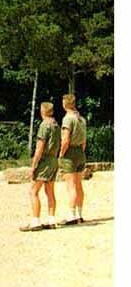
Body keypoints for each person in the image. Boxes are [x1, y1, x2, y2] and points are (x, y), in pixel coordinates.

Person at [20, 102, 61, 232]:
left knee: (33, 191)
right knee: (50, 191)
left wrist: (33, 165)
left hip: (45, 161)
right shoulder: (56, 125)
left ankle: (35, 221)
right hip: (54, 159)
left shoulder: (44, 125)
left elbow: (39, 148)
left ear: (42, 111)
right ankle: (51, 220)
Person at [59, 93, 87, 224]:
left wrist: (61, 153)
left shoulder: (67, 119)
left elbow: (65, 140)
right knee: (79, 185)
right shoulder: (82, 119)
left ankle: (71, 215)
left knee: (71, 186)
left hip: (70, 153)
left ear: (65, 104)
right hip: (80, 152)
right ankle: (80, 214)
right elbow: (84, 141)